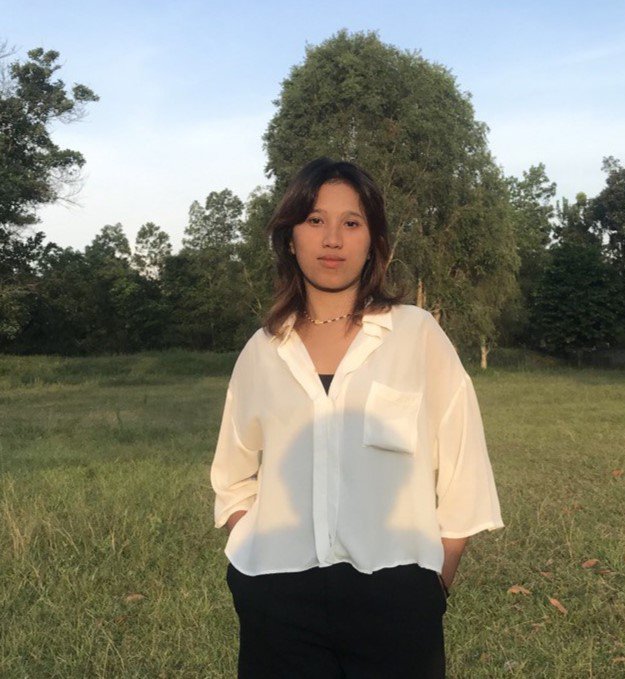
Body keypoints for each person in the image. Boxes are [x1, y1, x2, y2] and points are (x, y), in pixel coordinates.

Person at [210, 157, 504, 678]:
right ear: (290, 237)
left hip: (397, 600)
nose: (332, 239)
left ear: (373, 242)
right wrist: (251, 544)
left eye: (351, 222)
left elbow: (465, 469)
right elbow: (232, 474)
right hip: (277, 600)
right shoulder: (264, 350)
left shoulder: (416, 335)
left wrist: (435, 581)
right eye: (315, 220)